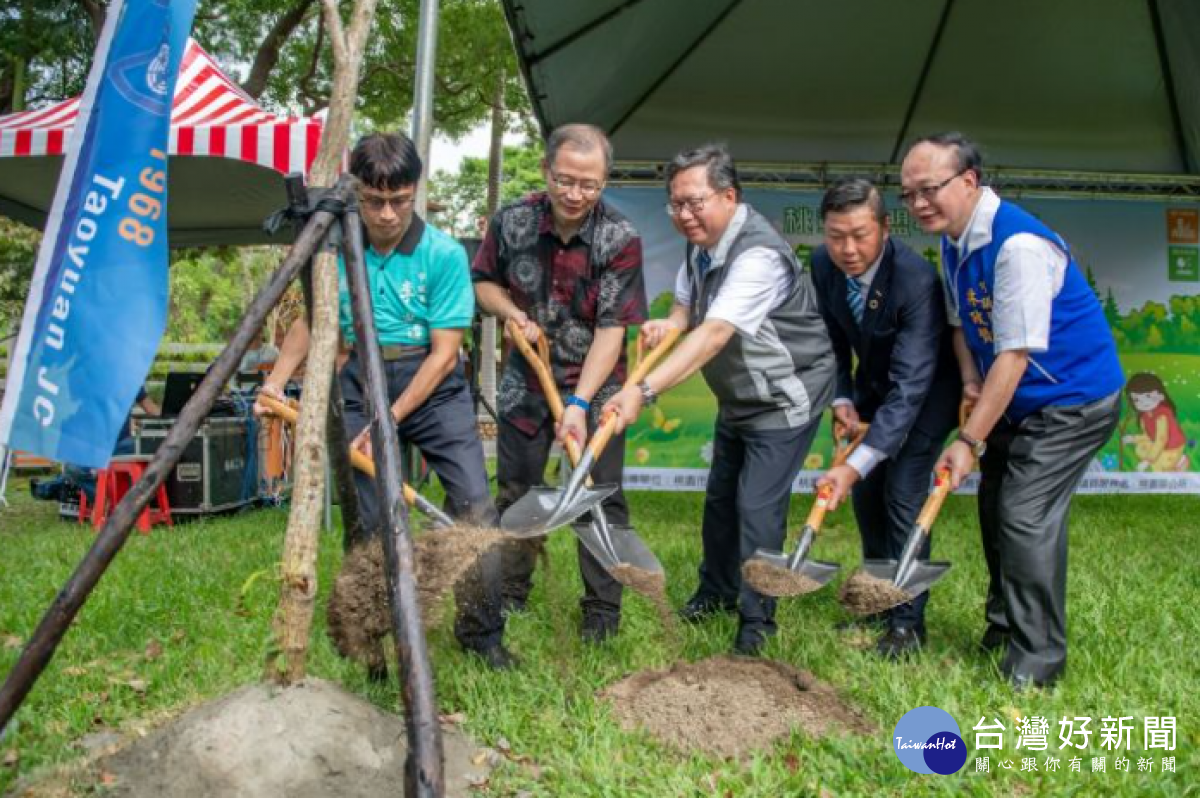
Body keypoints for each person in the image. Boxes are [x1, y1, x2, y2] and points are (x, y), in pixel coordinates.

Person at [255, 132, 514, 670]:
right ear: (356, 190)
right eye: (375, 201)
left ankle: (482, 634)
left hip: (432, 384)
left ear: (414, 190)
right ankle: (377, 636)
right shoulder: (337, 245)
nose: (389, 213)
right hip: (360, 380)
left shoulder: (442, 253)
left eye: (400, 199)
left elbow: (445, 355)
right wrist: (277, 383)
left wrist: (387, 420)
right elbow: (312, 320)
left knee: (475, 508)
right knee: (371, 520)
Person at [901, 132, 1123, 690]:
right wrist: (970, 383)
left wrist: (968, 439)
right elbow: (962, 328)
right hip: (1012, 397)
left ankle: (1038, 659)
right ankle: (1003, 628)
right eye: (908, 194)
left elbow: (1015, 355)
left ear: (969, 181)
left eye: (929, 189)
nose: (918, 203)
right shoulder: (954, 243)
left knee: (1024, 517)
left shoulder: (1016, 246)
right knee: (995, 508)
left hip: (1073, 402)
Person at [603, 144, 835, 655]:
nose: (684, 215)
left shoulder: (758, 255)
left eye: (695, 202)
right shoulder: (702, 243)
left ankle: (758, 624)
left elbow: (712, 335)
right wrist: (669, 321)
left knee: (756, 506)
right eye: (675, 205)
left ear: (729, 196)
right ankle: (716, 591)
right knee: (720, 501)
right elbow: (690, 310)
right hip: (738, 398)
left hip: (783, 397)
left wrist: (641, 390)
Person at [472, 123, 647, 644]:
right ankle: (510, 593)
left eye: (589, 185)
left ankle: (600, 612)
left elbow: (612, 331)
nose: (575, 195)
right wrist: (511, 314)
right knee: (518, 491)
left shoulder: (621, 238)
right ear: (548, 171)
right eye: (565, 180)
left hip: (596, 385)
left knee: (598, 495)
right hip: (525, 380)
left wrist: (578, 401)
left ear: (604, 182)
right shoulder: (511, 222)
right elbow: (484, 283)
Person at [810, 178, 960, 659]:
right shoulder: (822, 265)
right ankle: (877, 601)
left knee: (902, 494)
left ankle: (908, 625)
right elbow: (831, 342)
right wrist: (841, 397)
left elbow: (912, 385)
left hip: (927, 394)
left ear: (885, 227)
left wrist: (853, 466)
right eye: (836, 235)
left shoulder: (915, 280)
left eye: (859, 234)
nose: (848, 249)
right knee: (868, 500)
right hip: (874, 390)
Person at [1122, 372, 1188, 472]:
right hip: (1159, 443)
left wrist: (1148, 461)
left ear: (1161, 396)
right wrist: (1133, 439)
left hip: (1172, 446)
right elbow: (1148, 436)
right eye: (1137, 399)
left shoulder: (1162, 414)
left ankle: (1180, 460)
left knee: (1158, 465)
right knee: (1140, 449)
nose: (1143, 402)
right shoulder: (1144, 415)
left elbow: (1161, 440)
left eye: (1148, 396)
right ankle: (1170, 460)